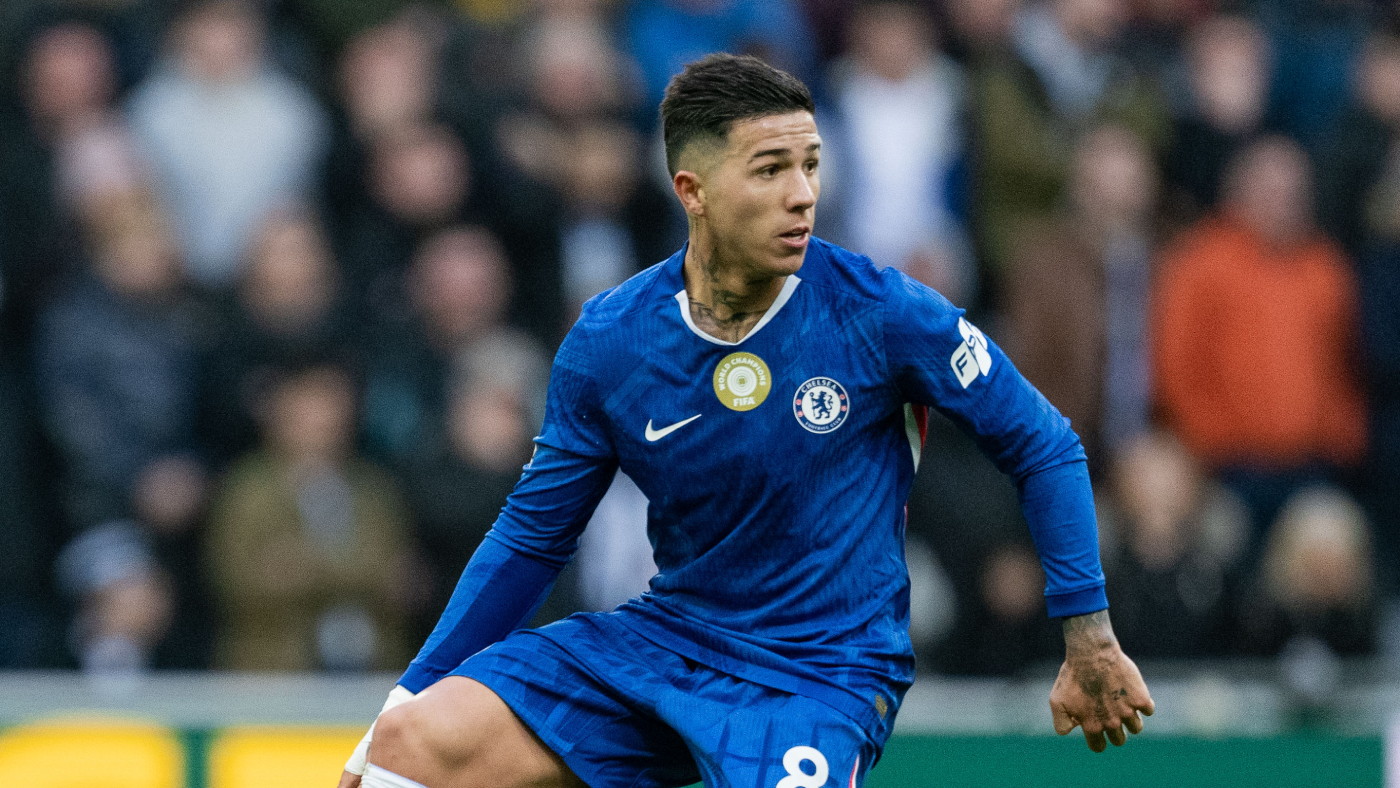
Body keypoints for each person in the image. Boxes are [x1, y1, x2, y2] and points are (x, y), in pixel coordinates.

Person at [339, 54, 1153, 788]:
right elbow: (532, 535)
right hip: (668, 643)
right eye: (770, 169)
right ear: (691, 190)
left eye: (811, 165)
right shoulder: (613, 340)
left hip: (820, 674)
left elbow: (1044, 443)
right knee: (411, 747)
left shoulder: (882, 313)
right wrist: (401, 699)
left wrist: (1087, 630)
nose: (802, 194)